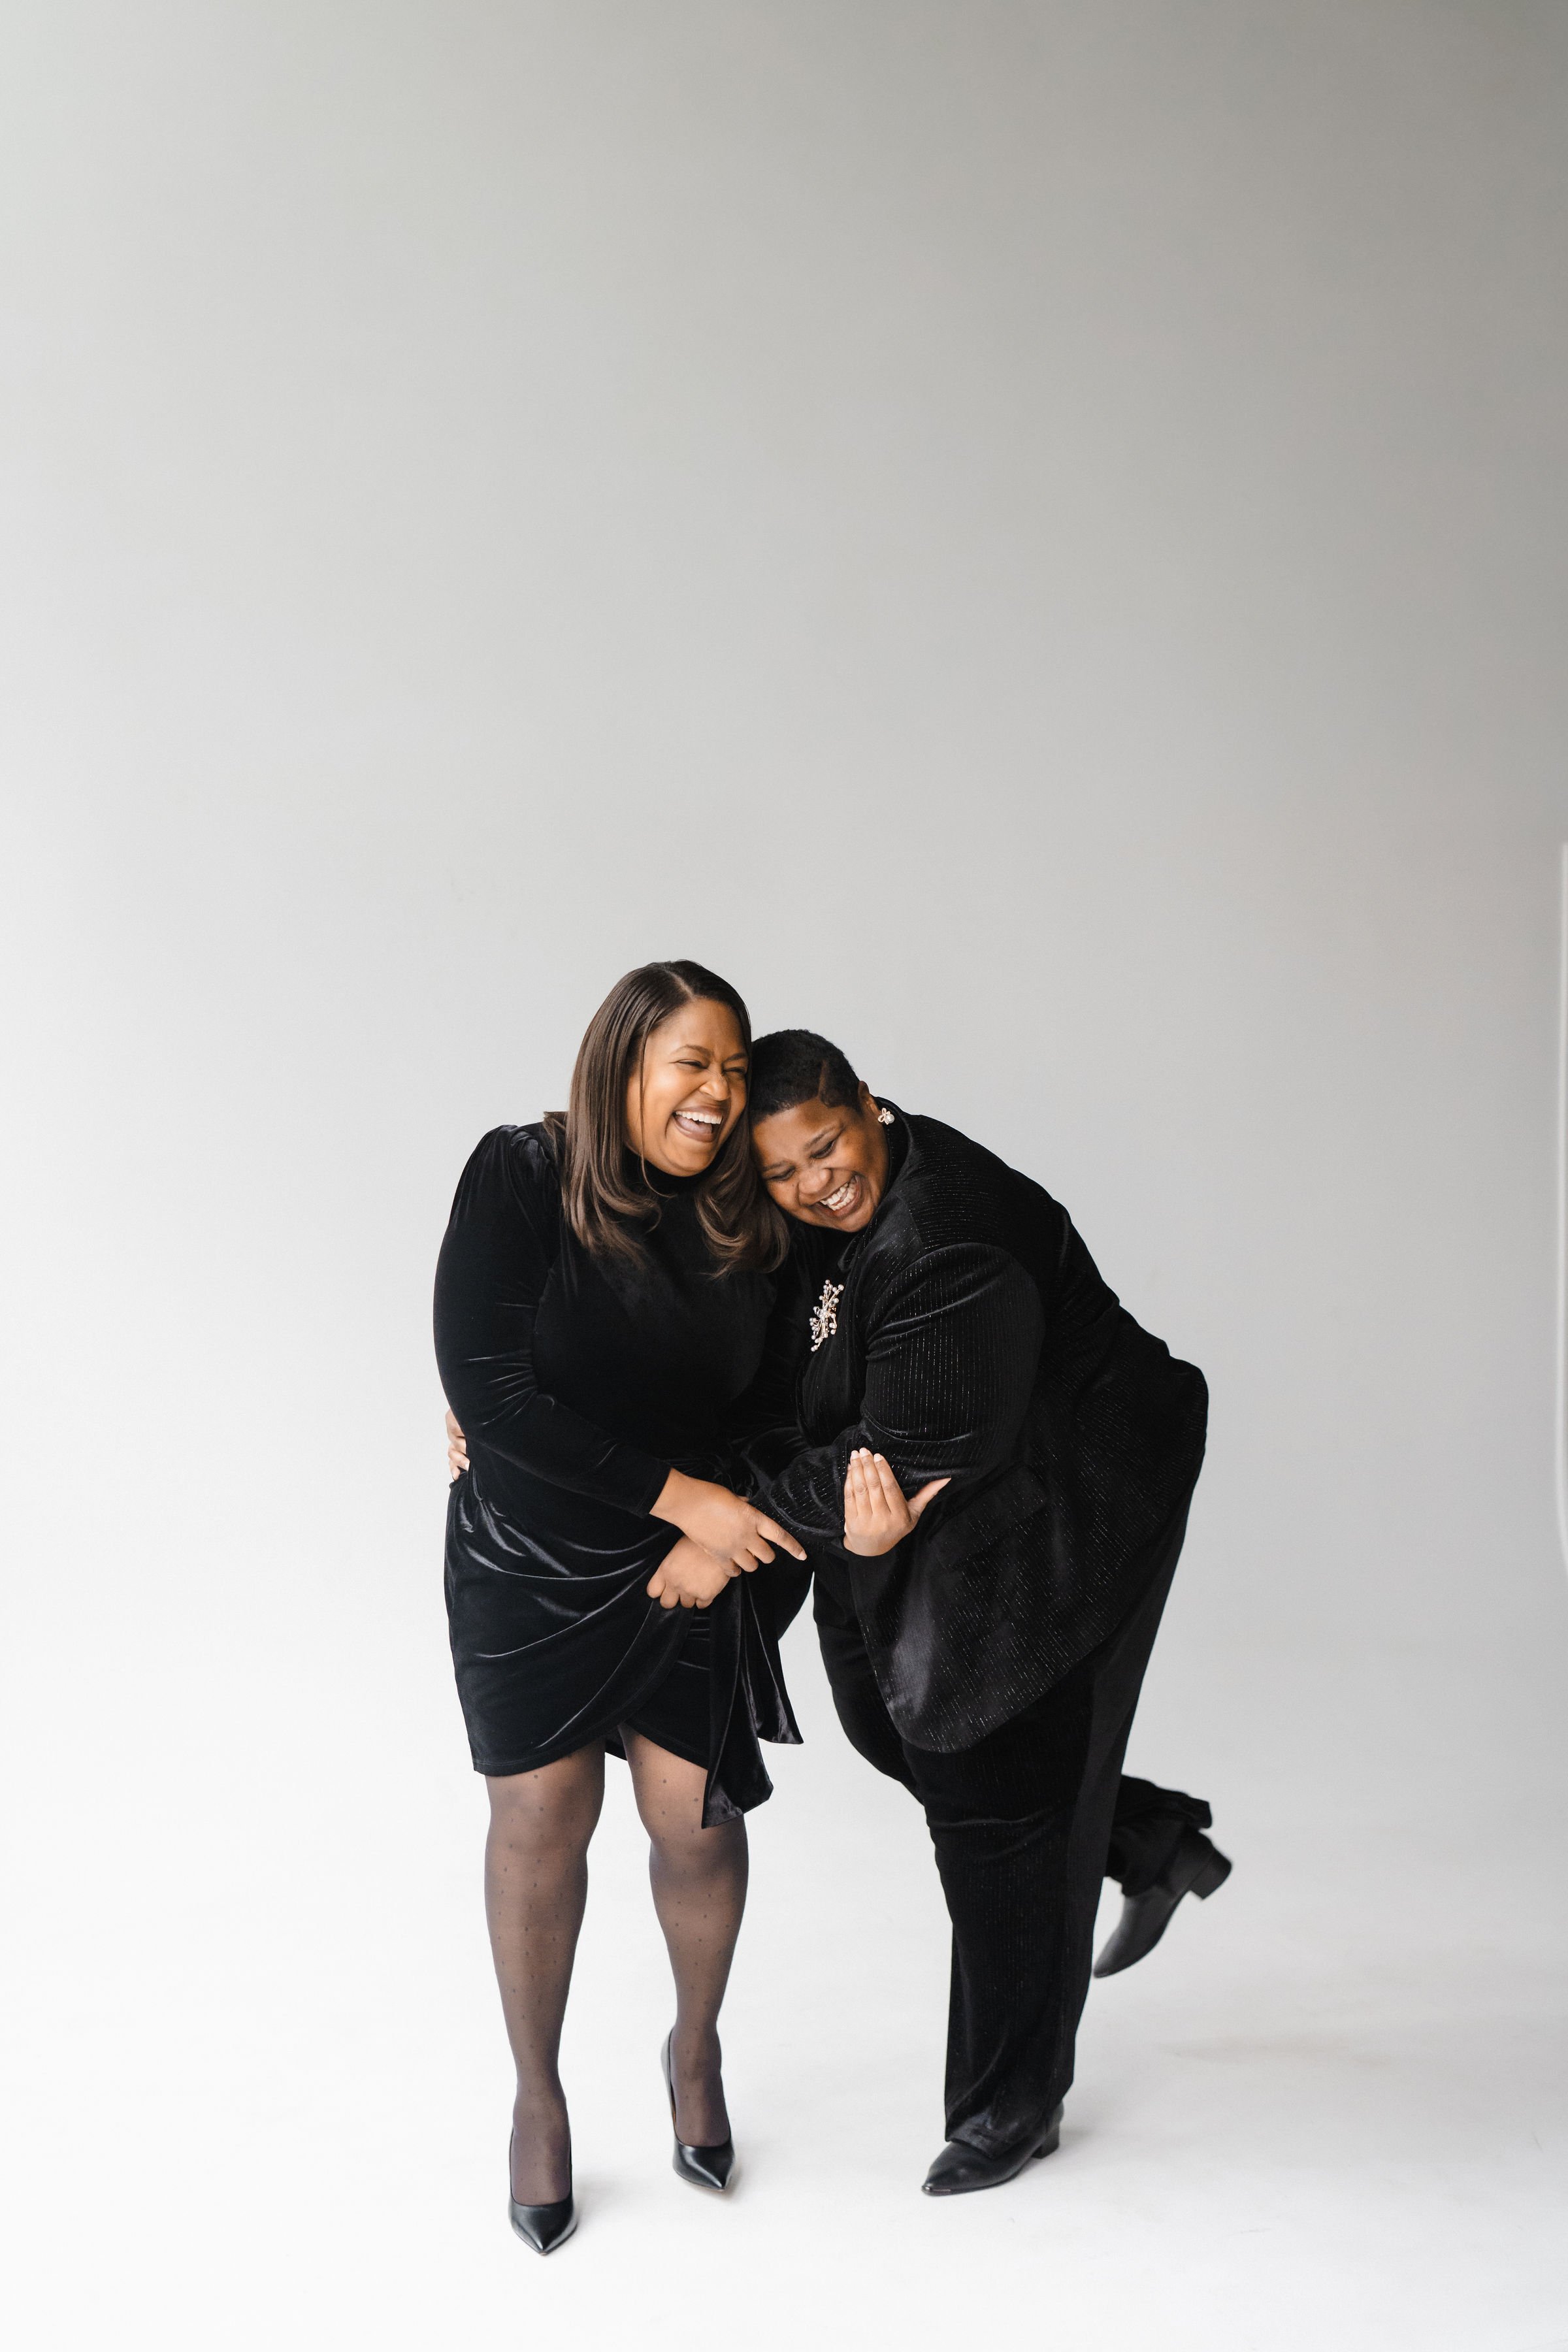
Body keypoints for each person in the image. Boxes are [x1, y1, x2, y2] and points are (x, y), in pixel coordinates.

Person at [740, 1030, 1226, 2196]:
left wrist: (722, 1506)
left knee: (991, 1788)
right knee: (884, 1723)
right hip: (946, 1497)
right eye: (785, 1172)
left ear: (870, 1100)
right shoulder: (812, 1222)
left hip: (1083, 1492)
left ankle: (1009, 2105)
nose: (819, 1183)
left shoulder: (954, 1238)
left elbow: (907, 1457)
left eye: (831, 1146)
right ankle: (1144, 1842)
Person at [433, 961, 811, 2254]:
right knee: (541, 1819)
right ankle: (539, 2100)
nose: (717, 1093)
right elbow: (493, 1397)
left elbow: (783, 1416)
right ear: (621, 1066)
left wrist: (719, 1526)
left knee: (690, 1823)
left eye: (733, 1068)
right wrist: (680, 1494)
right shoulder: (520, 1177)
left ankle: (693, 2047)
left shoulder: (749, 1221)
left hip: (685, 1569)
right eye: (688, 1063)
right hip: (533, 1555)